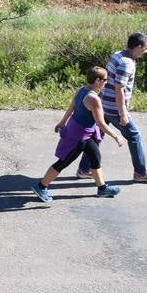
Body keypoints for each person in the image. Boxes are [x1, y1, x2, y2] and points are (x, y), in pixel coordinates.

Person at [32, 67, 125, 203]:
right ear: (97, 80)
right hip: (78, 136)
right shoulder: (94, 99)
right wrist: (116, 136)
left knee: (95, 156)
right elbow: (101, 123)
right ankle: (41, 187)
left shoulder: (82, 90)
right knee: (63, 162)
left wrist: (62, 122)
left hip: (83, 132)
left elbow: (72, 108)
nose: (107, 82)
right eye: (105, 80)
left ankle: (102, 188)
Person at [88, 32, 147, 183]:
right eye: (145, 49)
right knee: (134, 136)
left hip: (104, 104)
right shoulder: (127, 63)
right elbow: (119, 88)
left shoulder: (117, 55)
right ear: (139, 47)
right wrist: (122, 114)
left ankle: (84, 168)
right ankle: (140, 172)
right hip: (114, 108)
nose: (146, 51)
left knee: (97, 135)